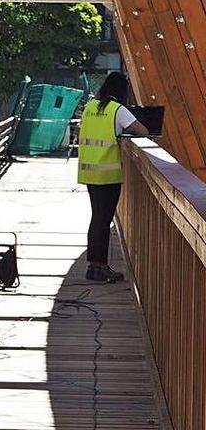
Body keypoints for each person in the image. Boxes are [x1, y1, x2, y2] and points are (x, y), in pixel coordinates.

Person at [77, 72, 149, 282]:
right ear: (121, 91)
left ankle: (94, 265)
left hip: (89, 171)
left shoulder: (91, 107)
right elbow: (143, 131)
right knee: (104, 218)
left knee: (96, 217)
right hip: (108, 174)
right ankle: (100, 267)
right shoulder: (118, 110)